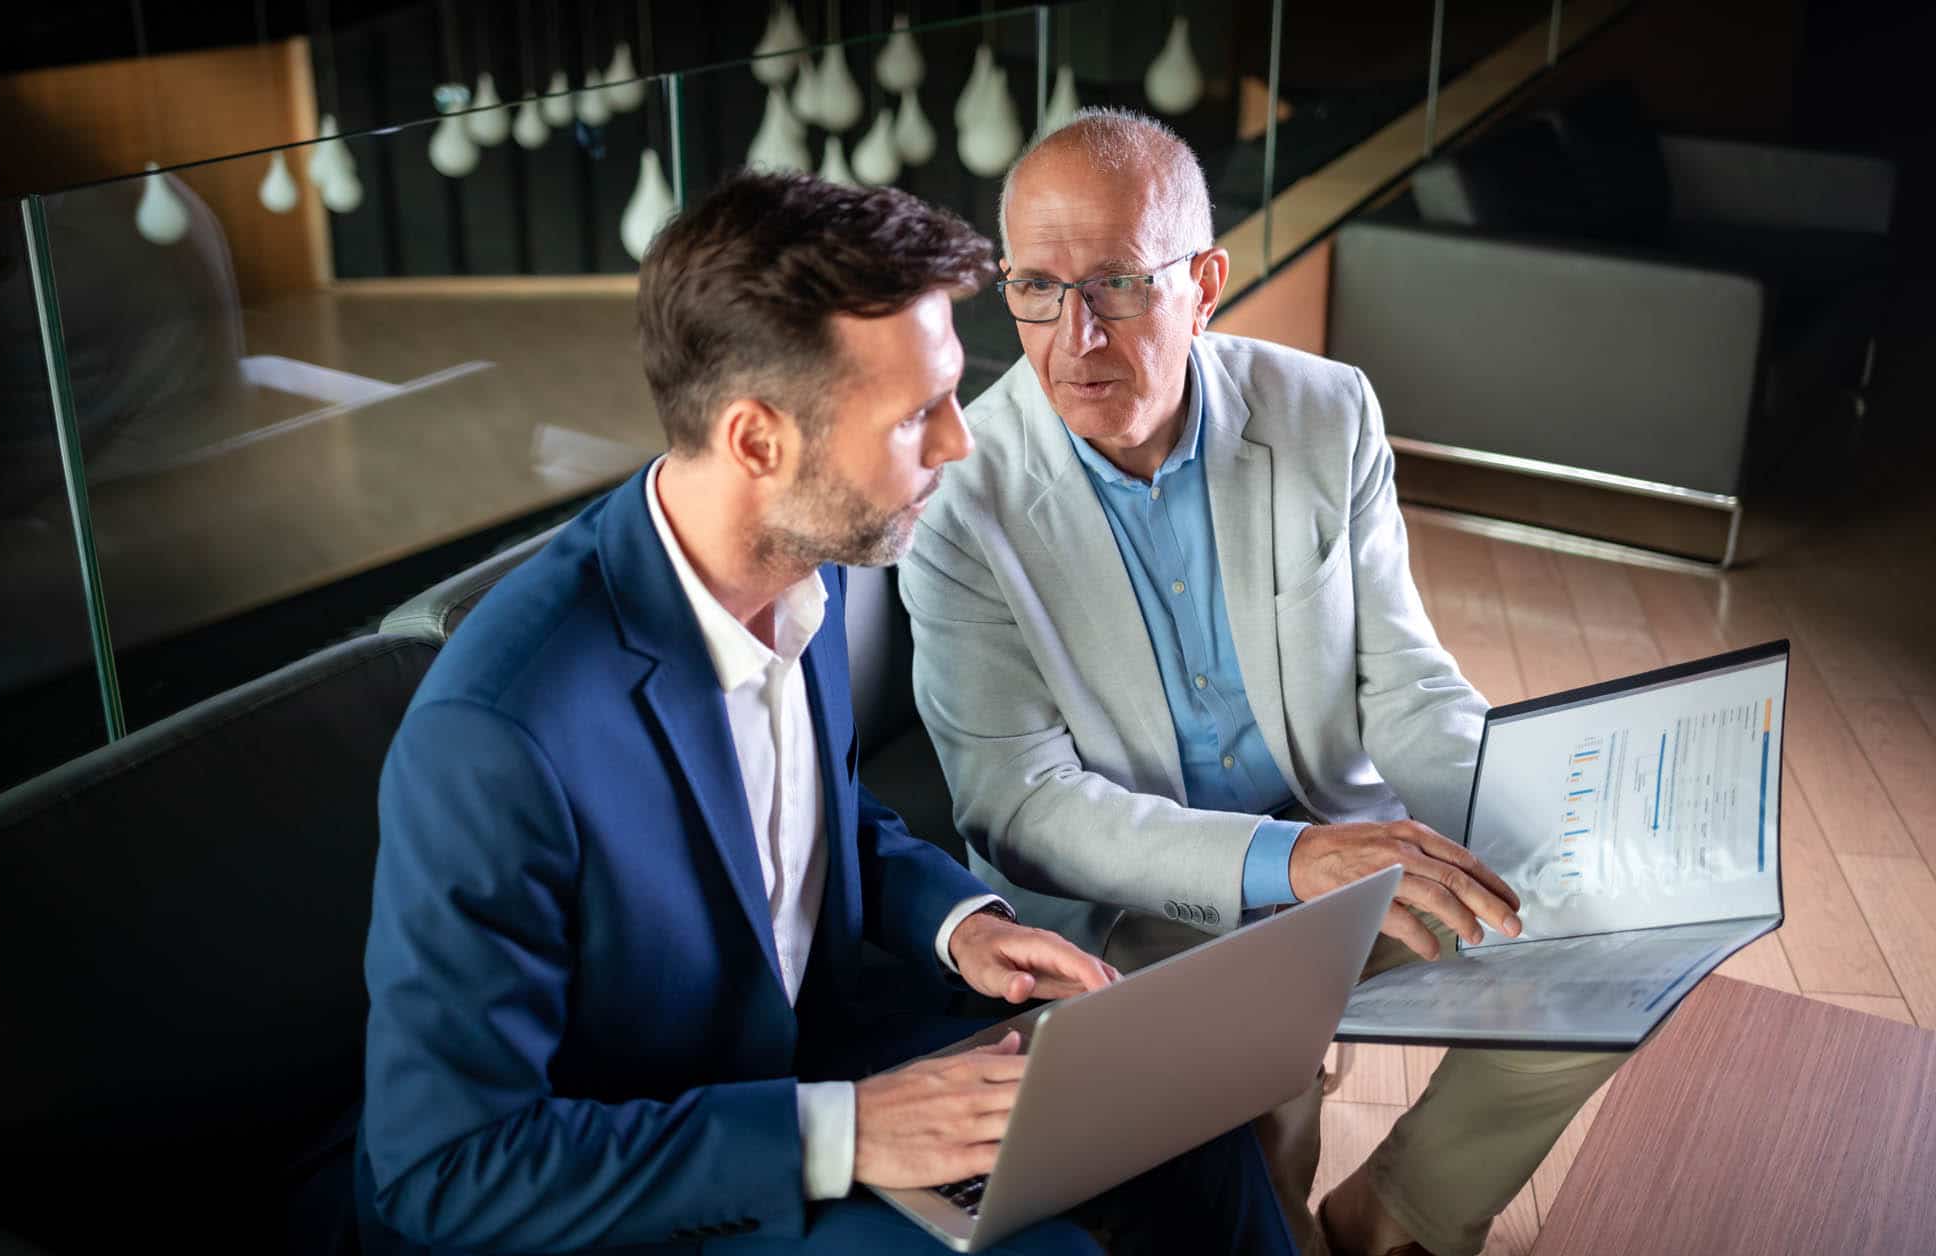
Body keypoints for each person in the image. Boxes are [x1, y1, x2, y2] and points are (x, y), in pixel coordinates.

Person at [354, 170, 1297, 1256]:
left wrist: (964, 926)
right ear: (758, 441)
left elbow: (806, 814)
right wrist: (848, 1131)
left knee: (1178, 1106)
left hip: (816, 1060)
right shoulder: (497, 733)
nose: (957, 442)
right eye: (914, 416)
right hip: (648, 1179)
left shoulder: (812, 555)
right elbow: (444, 1171)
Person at [896, 109, 1622, 1256]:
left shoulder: (1326, 413)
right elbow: (1019, 807)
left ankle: (1405, 1217)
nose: (1073, 336)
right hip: (1133, 915)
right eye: (1035, 288)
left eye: (1119, 285)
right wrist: (1284, 864)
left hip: (1345, 848)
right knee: (1255, 1197)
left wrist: (1550, 813)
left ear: (1205, 283)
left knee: (1605, 936)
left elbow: (1405, 688)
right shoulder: (957, 499)